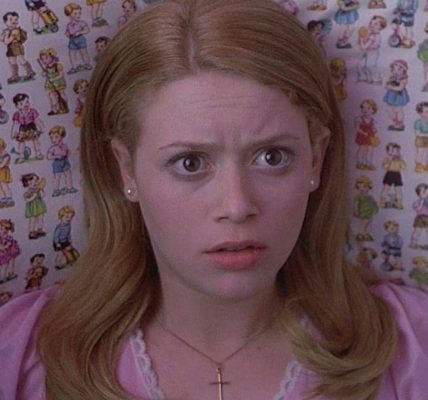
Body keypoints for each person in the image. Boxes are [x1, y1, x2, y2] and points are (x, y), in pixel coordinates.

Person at [0, 1, 428, 399]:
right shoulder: (22, 353)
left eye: (272, 157)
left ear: (316, 159)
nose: (237, 206)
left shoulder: (412, 346)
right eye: (189, 163)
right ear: (125, 169)